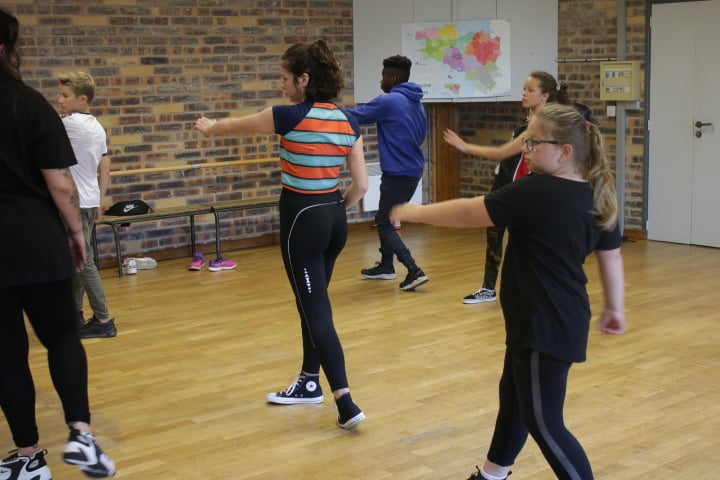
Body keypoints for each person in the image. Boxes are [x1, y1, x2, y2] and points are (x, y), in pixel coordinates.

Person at [392, 103, 627, 480]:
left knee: (545, 423)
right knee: (515, 400)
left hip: (542, 324)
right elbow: (611, 257)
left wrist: (416, 213)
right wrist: (615, 307)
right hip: (552, 318)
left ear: (565, 151)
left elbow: (470, 213)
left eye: (533, 143)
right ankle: (491, 475)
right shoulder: (595, 194)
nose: (525, 150)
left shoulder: (537, 190)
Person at [194, 39, 368, 429]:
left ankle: (345, 401)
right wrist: (334, 210)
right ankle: (309, 381)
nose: (282, 85)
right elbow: (361, 186)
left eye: (286, 78)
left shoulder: (289, 116)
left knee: (316, 308)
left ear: (304, 79)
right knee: (312, 302)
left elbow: (237, 126)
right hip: (334, 220)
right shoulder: (348, 121)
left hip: (302, 220)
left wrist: (211, 127)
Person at [0, 9, 116, 480]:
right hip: (39, 239)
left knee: (8, 356)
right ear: (8, 49)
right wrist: (74, 233)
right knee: (63, 337)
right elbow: (60, 184)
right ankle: (82, 434)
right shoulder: (29, 103)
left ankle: (29, 456)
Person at [444, 71, 569, 304]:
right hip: (505, 184)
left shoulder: (542, 126)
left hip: (523, 190)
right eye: (524, 88)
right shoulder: (528, 122)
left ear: (545, 96)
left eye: (530, 90)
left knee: (524, 241)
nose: (524, 93)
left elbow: (501, 153)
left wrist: (465, 147)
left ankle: (535, 289)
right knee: (494, 231)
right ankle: (489, 288)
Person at [346, 55, 429, 291]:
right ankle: (386, 266)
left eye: (383, 76)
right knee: (387, 217)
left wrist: (324, 112)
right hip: (412, 170)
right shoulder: (416, 102)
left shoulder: (389, 101)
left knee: (384, 222)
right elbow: (420, 135)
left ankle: (414, 270)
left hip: (398, 173)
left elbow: (354, 116)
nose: (380, 80)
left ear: (393, 78)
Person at [57, 71, 117, 339]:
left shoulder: (71, 124)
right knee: (77, 259)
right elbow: (106, 168)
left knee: (83, 261)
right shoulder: (97, 127)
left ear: (82, 99)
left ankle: (103, 320)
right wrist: (100, 202)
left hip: (77, 203)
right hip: (90, 201)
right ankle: (75, 314)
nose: (60, 100)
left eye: (65, 96)